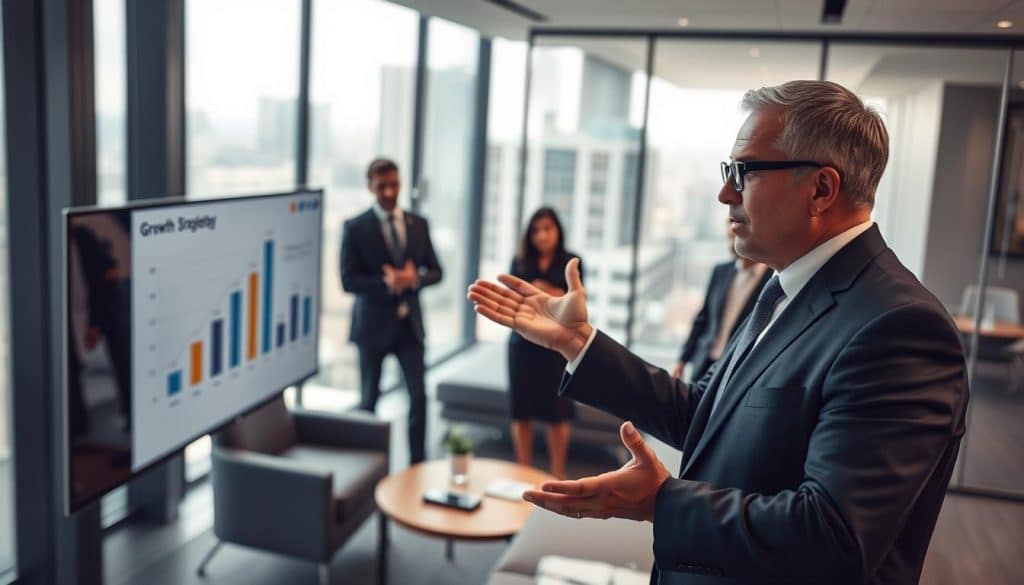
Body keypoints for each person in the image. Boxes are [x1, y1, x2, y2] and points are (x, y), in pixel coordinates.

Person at [468, 80, 968, 584]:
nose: (725, 193)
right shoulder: (786, 288)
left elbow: (831, 537)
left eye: (743, 172)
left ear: (821, 189)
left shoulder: (900, 329)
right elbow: (705, 415)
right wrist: (578, 343)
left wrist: (663, 502)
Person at [341, 158, 442, 465]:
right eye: (381, 186)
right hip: (372, 327)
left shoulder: (418, 224)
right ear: (370, 186)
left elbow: (437, 271)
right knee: (369, 401)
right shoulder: (355, 227)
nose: (388, 192)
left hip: (410, 327)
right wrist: (386, 283)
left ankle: (417, 466)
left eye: (394, 184)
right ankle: (368, 468)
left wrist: (414, 279)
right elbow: (348, 281)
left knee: (419, 398)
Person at [507, 207, 581, 480]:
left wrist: (545, 292)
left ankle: (557, 474)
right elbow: (515, 300)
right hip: (521, 345)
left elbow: (574, 300)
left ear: (558, 231)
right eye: (536, 230)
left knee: (557, 413)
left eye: (547, 229)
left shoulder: (571, 262)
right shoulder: (519, 261)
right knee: (521, 412)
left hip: (556, 347)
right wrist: (551, 294)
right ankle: (523, 472)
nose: (542, 235)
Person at [672, 221, 771, 382]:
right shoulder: (720, 271)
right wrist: (682, 359)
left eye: (735, 236)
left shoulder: (772, 279)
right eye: (729, 236)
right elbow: (703, 318)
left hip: (736, 369)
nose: (731, 235)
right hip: (705, 361)